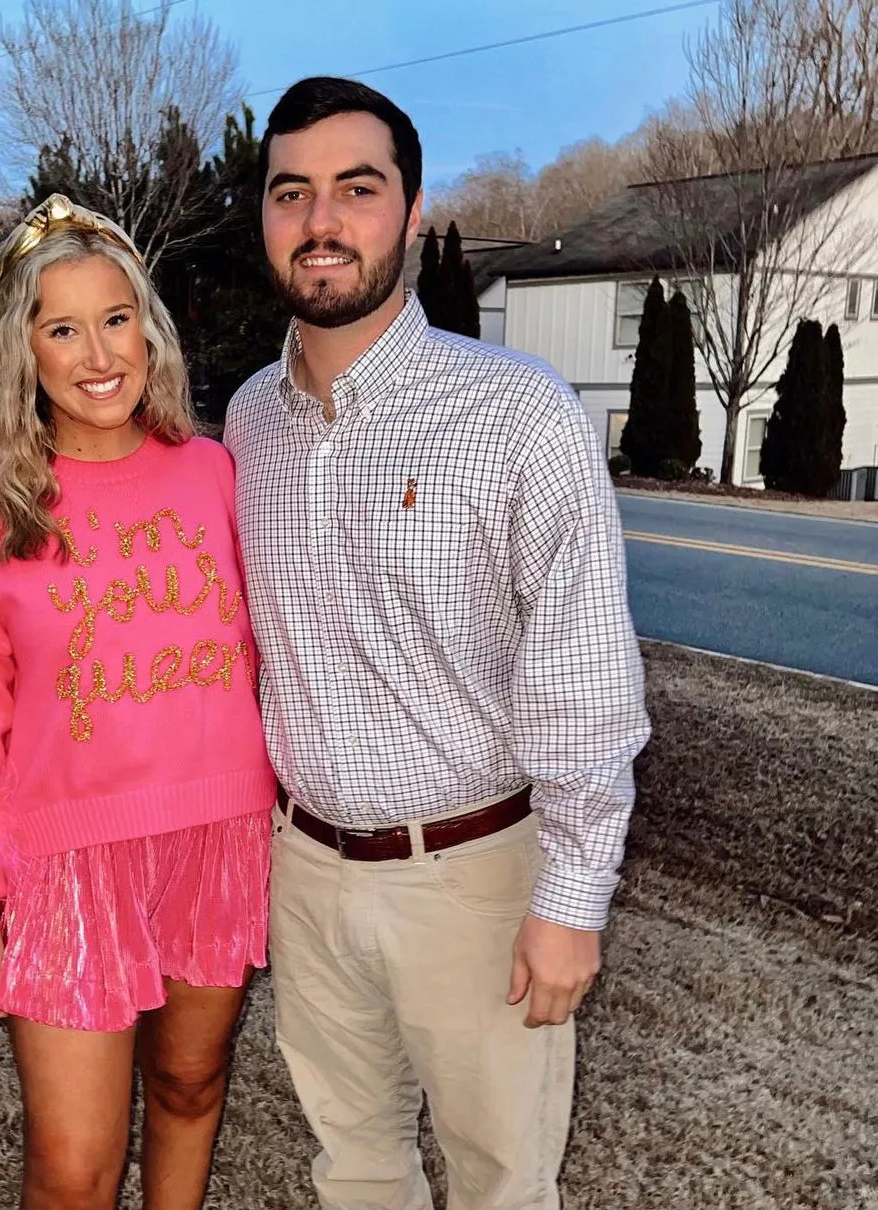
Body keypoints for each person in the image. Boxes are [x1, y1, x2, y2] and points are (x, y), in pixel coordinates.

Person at [223, 78, 652, 1210]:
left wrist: (573, 899)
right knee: (354, 1168)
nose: (323, 221)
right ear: (264, 219)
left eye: (356, 190)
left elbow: (585, 681)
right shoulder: (250, 418)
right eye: (292, 193)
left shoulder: (519, 413)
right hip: (305, 872)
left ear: (412, 213)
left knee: (503, 1181)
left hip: (476, 877)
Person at [0, 194, 277, 1210]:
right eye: (61, 327)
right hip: (64, 867)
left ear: (149, 329)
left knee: (188, 1083)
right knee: (76, 1163)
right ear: (22, 354)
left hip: (215, 839)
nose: (99, 352)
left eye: (116, 318)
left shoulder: (214, 472)